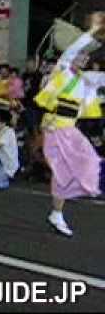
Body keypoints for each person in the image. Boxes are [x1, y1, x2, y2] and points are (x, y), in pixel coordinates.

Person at [34, 12, 105, 237]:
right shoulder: (62, 70)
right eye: (80, 57)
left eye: (85, 59)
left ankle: (57, 213)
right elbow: (73, 49)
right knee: (66, 170)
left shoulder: (86, 81)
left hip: (69, 130)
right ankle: (57, 213)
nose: (82, 60)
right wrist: (92, 31)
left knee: (74, 169)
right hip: (56, 127)